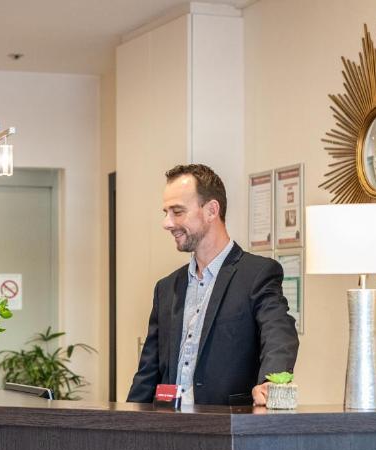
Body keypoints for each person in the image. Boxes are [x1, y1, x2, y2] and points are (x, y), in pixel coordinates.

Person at [127, 164, 298, 407]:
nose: (167, 222)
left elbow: (279, 334)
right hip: (166, 432)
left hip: (226, 431)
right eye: (166, 212)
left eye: (177, 211)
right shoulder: (166, 288)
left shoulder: (257, 274)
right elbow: (147, 375)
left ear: (211, 210)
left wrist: (272, 382)